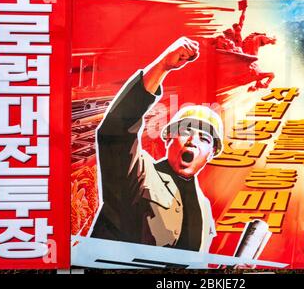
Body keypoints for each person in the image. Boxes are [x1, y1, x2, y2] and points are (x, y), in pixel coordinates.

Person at [89, 37, 224, 252]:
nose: (192, 140)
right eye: (186, 130)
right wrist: (162, 67)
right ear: (168, 137)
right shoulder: (139, 173)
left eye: (204, 138)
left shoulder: (205, 208)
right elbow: (116, 130)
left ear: (211, 153)